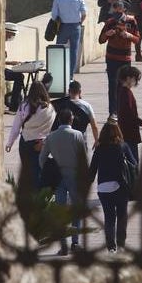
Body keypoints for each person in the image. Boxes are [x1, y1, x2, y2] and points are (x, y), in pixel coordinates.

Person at [39, 108, 89, 255]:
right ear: (71, 120)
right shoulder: (77, 135)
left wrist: (49, 170)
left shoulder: (51, 137)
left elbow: (42, 158)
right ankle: (75, 242)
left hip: (58, 177)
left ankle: (63, 245)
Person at [88, 120, 137, 252]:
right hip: (121, 186)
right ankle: (121, 245)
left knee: (109, 218)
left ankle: (111, 247)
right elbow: (134, 164)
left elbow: (92, 171)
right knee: (122, 216)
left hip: (103, 188)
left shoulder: (99, 149)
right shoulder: (123, 147)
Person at [6, 81, 55, 190]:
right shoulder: (49, 108)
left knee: (26, 171)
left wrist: (9, 143)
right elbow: (51, 128)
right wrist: (44, 142)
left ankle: (28, 193)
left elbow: (16, 127)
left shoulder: (24, 106)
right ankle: (38, 194)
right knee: (38, 170)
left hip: (25, 142)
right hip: (41, 143)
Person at [98, 0, 140, 114]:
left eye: (119, 10)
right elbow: (101, 40)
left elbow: (137, 39)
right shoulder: (110, 22)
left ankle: (124, 111)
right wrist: (107, 34)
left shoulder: (131, 21)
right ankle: (113, 112)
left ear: (124, 9)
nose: (117, 12)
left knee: (125, 86)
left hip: (125, 58)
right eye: (115, 9)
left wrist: (129, 35)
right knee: (112, 85)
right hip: (112, 57)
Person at [50, 0, 87, 71]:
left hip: (63, 26)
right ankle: (70, 74)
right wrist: (79, 23)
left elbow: (54, 16)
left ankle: (60, 72)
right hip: (76, 26)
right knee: (73, 51)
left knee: (59, 50)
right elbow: (84, 14)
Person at [115, 65, 142, 174]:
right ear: (128, 78)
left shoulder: (123, 91)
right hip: (129, 133)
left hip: (126, 132)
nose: (136, 82)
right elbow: (129, 114)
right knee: (133, 163)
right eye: (135, 79)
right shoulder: (126, 93)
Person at [51, 78, 99, 145]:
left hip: (63, 141)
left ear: (69, 91)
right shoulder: (86, 106)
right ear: (80, 91)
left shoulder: (61, 104)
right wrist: (96, 140)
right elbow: (94, 126)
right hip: (80, 140)